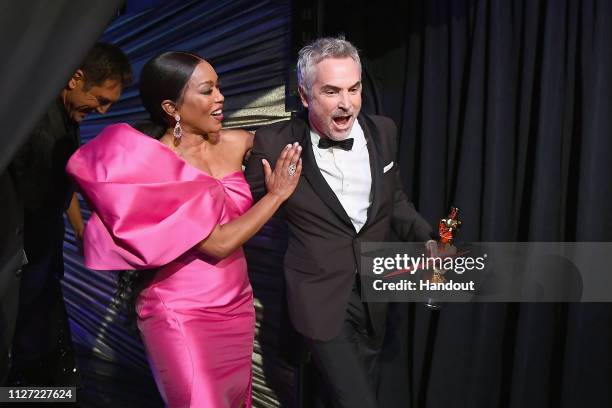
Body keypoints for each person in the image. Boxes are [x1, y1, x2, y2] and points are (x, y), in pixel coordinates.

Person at [66, 51, 302, 407]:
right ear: (172, 107)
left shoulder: (236, 143)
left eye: (218, 87)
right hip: (181, 313)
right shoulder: (155, 166)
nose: (220, 97)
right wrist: (276, 196)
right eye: (207, 91)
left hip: (236, 305)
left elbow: (296, 138)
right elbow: (218, 244)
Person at [245, 36, 433, 407]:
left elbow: (393, 200)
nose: (346, 104)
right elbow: (243, 212)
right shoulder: (274, 142)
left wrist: (426, 236)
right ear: (304, 95)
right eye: (331, 91)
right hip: (317, 296)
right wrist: (274, 194)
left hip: (375, 294)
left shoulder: (383, 131)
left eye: (354, 89)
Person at [7, 42, 132, 386]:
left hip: (43, 249)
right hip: (25, 252)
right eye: (101, 100)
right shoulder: (37, 123)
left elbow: (63, 183)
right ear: (76, 79)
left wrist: (79, 229)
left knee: (43, 336)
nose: (103, 111)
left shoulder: (66, 115)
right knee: (30, 341)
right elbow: (37, 193)